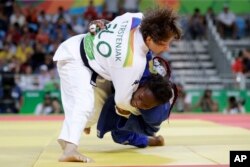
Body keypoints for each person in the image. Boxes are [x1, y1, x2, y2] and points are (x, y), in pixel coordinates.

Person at [53, 7, 181, 163]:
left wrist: (104, 23)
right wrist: (139, 112)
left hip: (94, 62)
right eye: (163, 44)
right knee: (83, 104)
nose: (167, 48)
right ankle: (69, 149)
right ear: (149, 40)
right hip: (74, 59)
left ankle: (75, 131)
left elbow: (116, 22)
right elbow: (121, 102)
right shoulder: (133, 62)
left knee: (93, 114)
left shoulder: (138, 18)